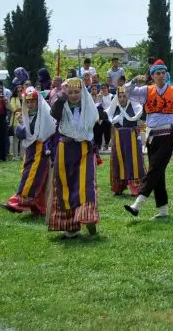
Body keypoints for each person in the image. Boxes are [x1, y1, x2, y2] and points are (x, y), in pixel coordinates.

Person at [124, 60, 173, 219]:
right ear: (152, 76)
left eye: (163, 73)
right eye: (158, 73)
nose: (161, 75)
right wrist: (135, 81)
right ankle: (163, 210)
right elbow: (128, 92)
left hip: (167, 135)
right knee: (158, 173)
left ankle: (137, 204)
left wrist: (170, 123)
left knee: (154, 169)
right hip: (152, 136)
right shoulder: (146, 90)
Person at [47, 78, 101, 239]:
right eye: (70, 92)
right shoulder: (61, 105)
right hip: (65, 148)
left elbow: (94, 121)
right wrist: (62, 96)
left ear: (82, 92)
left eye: (77, 92)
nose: (74, 95)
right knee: (66, 185)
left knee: (86, 184)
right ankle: (70, 226)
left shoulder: (88, 107)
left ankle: (88, 217)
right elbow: (54, 114)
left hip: (84, 148)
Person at [1, 87, 56, 216]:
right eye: (28, 102)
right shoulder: (26, 115)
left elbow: (44, 132)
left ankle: (18, 202)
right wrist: (20, 124)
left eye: (33, 101)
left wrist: (22, 126)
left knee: (33, 176)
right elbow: (23, 134)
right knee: (29, 174)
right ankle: (39, 208)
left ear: (38, 102)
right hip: (31, 149)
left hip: (41, 150)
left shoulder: (44, 115)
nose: (30, 104)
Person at [105, 88, 146, 197]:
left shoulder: (135, 108)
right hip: (118, 138)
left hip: (131, 138)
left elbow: (142, 120)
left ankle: (136, 187)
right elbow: (109, 119)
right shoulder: (114, 109)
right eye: (120, 97)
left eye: (124, 96)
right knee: (118, 161)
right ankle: (118, 187)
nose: (122, 99)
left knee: (132, 162)